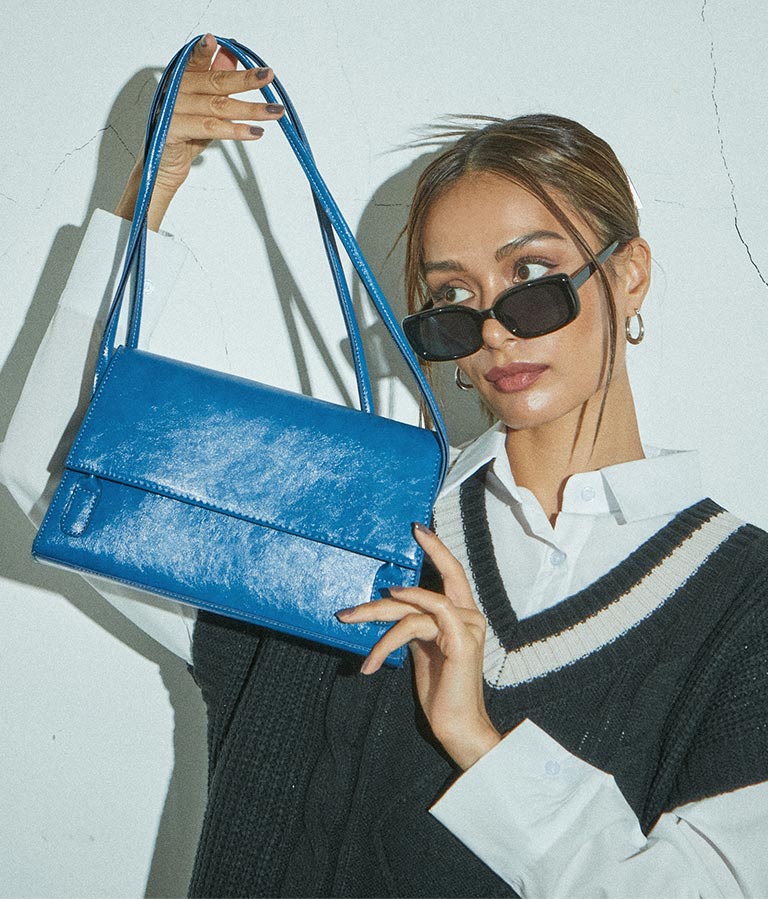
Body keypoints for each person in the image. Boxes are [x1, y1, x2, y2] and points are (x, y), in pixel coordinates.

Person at [41, 33, 768, 897]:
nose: (495, 328)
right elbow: (63, 483)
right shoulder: (345, 516)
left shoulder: (745, 608)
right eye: (452, 298)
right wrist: (148, 194)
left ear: (630, 274)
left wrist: (480, 743)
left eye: (533, 274)